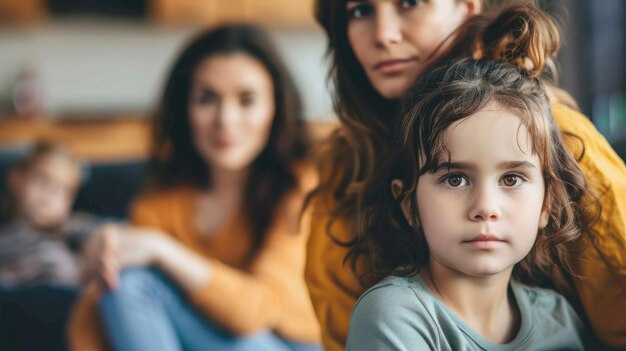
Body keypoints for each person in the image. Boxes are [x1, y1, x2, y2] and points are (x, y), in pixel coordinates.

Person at [305, 0, 626, 350]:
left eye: (410, 3)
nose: (383, 34)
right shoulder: (344, 166)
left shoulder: (556, 136)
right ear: (406, 200)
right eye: (360, 11)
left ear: (468, 6)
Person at [69, 24, 321, 351]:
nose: (225, 120)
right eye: (206, 99)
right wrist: (102, 256)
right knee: (123, 285)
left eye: (247, 100)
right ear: (184, 108)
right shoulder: (160, 202)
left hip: (290, 345)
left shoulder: (298, 189)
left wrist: (161, 249)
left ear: (275, 108)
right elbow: (107, 306)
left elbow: (253, 312)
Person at [347, 53, 597, 349]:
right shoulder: (395, 316)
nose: (486, 208)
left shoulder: (559, 318)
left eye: (512, 179)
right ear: (409, 204)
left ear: (547, 204)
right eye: (455, 179)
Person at [0, 141, 103, 288]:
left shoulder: (70, 227)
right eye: (43, 181)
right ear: (16, 178)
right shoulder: (5, 231)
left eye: (62, 191)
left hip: (66, 295)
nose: (50, 196)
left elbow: (105, 235)